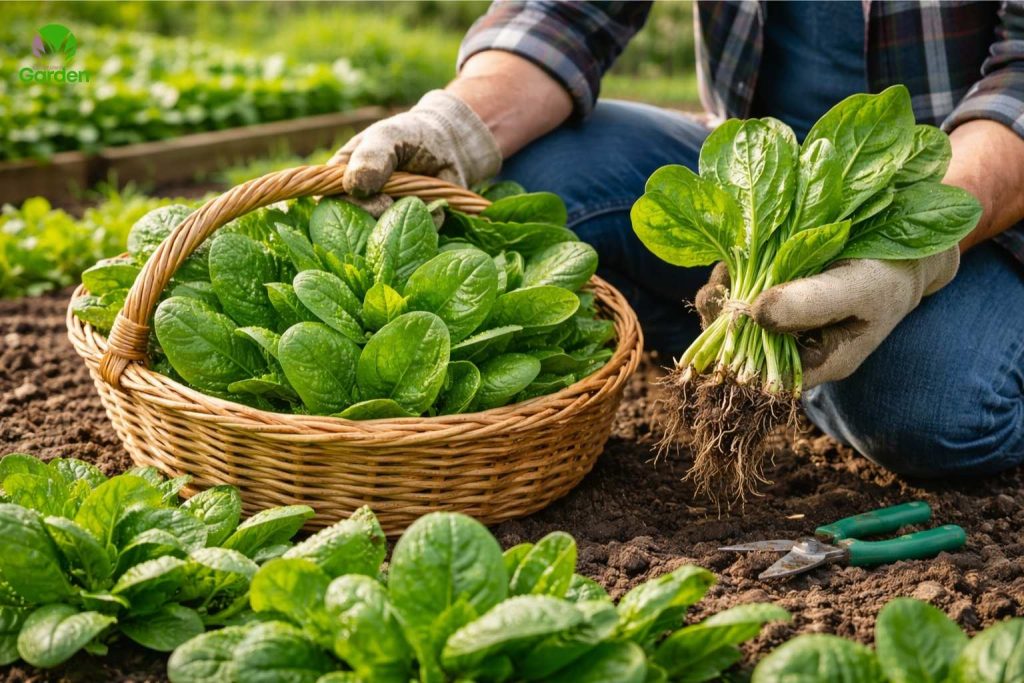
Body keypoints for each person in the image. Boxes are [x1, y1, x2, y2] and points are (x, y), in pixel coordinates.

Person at [329, 1, 1024, 478]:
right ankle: (779, 340)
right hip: (755, 178)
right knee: (522, 189)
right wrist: (460, 123)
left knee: (927, 408)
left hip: (976, 197)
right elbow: (568, 12)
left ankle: (834, 349)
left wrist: (910, 255)